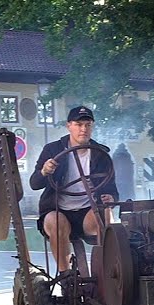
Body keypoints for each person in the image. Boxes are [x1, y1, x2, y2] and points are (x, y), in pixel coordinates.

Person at [29, 106, 119, 273]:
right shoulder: (52, 150)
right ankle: (66, 275)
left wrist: (111, 198)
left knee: (106, 215)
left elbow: (111, 188)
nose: (83, 129)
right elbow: (34, 184)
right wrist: (44, 171)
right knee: (56, 222)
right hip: (58, 210)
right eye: (78, 124)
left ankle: (108, 272)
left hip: (89, 211)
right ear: (69, 126)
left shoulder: (101, 154)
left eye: (88, 125)